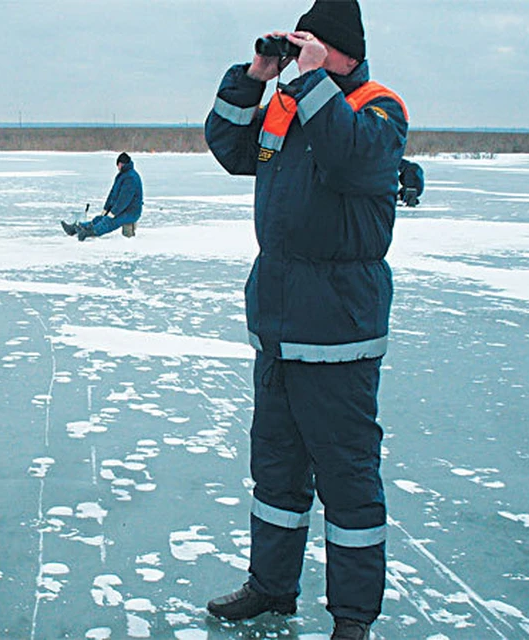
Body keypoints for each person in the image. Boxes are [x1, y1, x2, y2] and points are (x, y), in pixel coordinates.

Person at [202, 1, 408, 639]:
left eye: (312, 44)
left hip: (339, 333)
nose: (301, 54)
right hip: (279, 325)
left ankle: (352, 616)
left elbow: (350, 160)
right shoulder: (289, 103)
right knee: (276, 472)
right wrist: (255, 76)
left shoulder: (380, 109)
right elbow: (231, 147)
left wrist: (312, 78)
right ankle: (271, 587)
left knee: (347, 480)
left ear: (342, 49)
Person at [61, 152, 143, 241]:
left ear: (121, 164)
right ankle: (75, 229)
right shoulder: (123, 175)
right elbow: (113, 194)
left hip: (130, 211)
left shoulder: (130, 177)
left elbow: (124, 199)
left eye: (118, 165)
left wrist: (114, 212)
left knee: (109, 221)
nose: (118, 168)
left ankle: (88, 232)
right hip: (122, 209)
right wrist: (106, 209)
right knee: (99, 219)